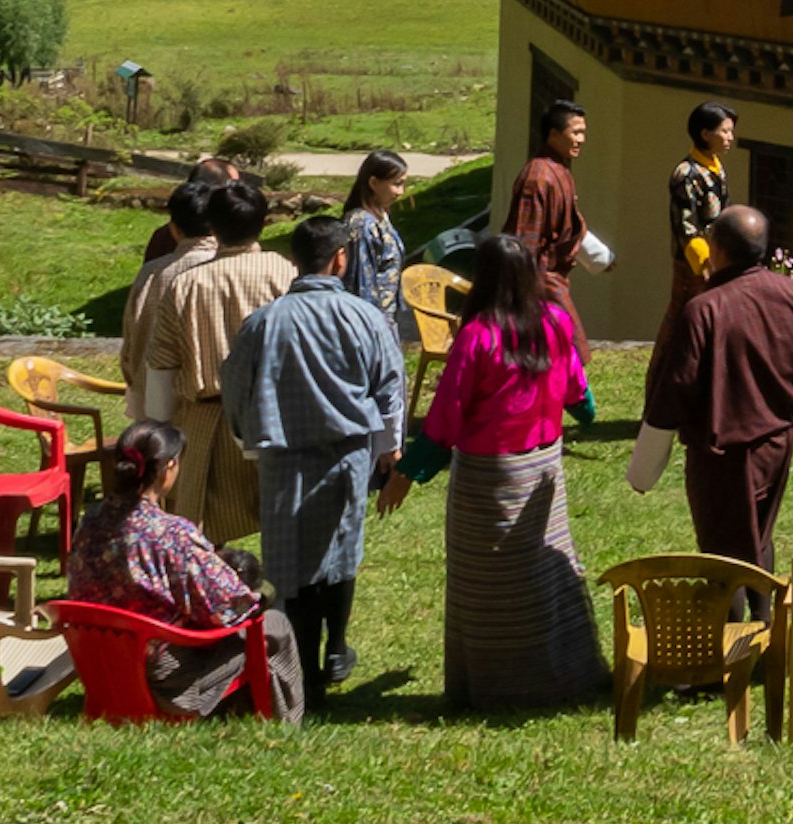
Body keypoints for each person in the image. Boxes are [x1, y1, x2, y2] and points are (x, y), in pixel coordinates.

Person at [394, 230, 608, 712]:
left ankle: (496, 685)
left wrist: (407, 471)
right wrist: (586, 411)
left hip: (488, 481)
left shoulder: (477, 336)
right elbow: (580, 394)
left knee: (487, 585)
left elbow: (446, 417)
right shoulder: (554, 322)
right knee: (545, 571)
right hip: (544, 471)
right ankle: (563, 673)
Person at [219, 212, 405, 707]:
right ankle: (336, 647)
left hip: (283, 454)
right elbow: (389, 387)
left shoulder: (264, 321)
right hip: (347, 454)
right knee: (341, 550)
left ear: (295, 261)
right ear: (340, 258)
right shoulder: (365, 316)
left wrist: (244, 433)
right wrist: (390, 447)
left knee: (288, 557)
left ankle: (300, 659)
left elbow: (234, 385)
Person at [630, 204, 793, 569]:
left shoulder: (703, 309)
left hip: (722, 455)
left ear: (718, 250)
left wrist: (643, 471)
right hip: (776, 444)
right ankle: (764, 620)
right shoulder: (789, 293)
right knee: (757, 537)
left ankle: (736, 625)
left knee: (725, 554)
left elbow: (674, 390)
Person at [67, 421, 303, 722]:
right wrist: (259, 593)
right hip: (165, 680)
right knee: (274, 625)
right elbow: (231, 605)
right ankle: (286, 727)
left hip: (101, 666)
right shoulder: (171, 534)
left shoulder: (89, 522)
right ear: (168, 468)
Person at [137, 177, 295, 546]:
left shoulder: (188, 284)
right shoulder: (286, 273)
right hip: (273, 417)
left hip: (204, 422)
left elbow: (162, 364)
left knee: (202, 537)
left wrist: (159, 435)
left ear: (212, 224)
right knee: (276, 522)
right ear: (264, 221)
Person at [118, 180, 219, 387]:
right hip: (217, 402)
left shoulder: (151, 273)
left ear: (174, 228)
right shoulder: (233, 269)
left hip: (152, 397)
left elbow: (130, 346)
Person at [502, 99, 602, 288]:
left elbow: (568, 226)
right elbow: (525, 240)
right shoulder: (538, 178)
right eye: (576, 133)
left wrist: (599, 257)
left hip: (553, 278)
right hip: (536, 282)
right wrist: (524, 295)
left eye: (583, 133)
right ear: (554, 135)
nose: (581, 140)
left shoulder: (559, 170)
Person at [661, 100, 739, 340]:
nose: (730, 137)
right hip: (695, 263)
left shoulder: (716, 166)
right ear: (705, 134)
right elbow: (686, 226)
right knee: (685, 318)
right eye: (724, 131)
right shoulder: (686, 174)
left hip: (717, 256)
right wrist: (704, 262)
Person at [339, 149, 414, 350]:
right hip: (370, 326)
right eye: (396, 184)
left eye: (403, 184)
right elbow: (361, 284)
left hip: (385, 320)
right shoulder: (362, 225)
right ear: (373, 183)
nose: (401, 192)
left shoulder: (380, 218)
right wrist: (373, 332)